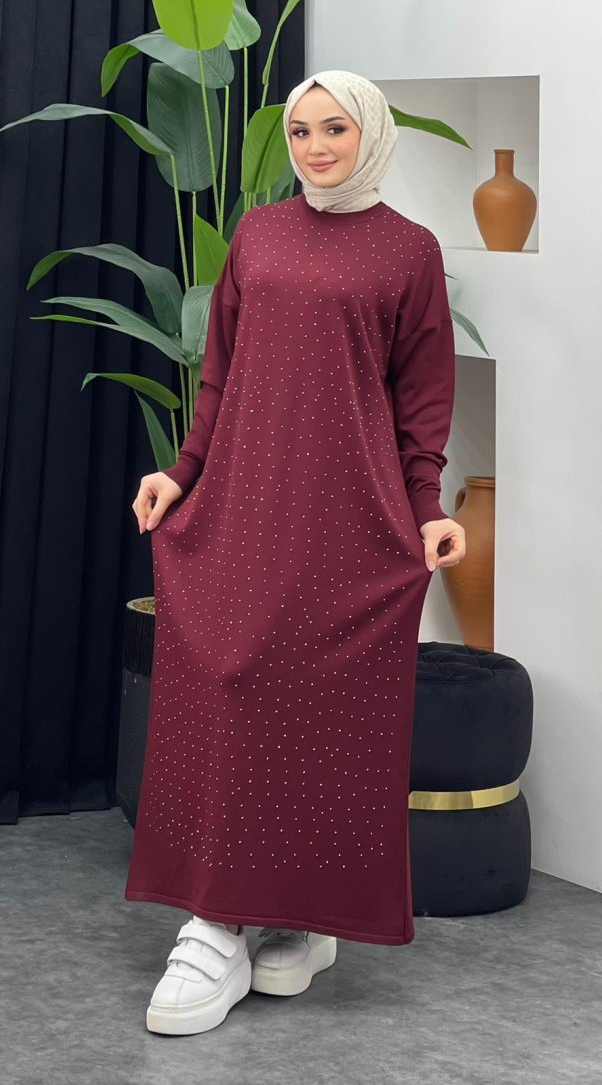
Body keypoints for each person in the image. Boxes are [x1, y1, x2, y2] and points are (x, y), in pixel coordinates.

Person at [125, 70, 465, 1036]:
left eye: (335, 130)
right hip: (244, 500)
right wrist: (182, 473)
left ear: (372, 136)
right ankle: (216, 918)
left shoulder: (410, 250)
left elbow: (422, 396)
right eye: (303, 131)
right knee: (231, 678)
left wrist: (428, 508)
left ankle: (300, 919)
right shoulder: (260, 234)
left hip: (349, 514)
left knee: (320, 705)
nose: (315, 148)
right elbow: (220, 373)